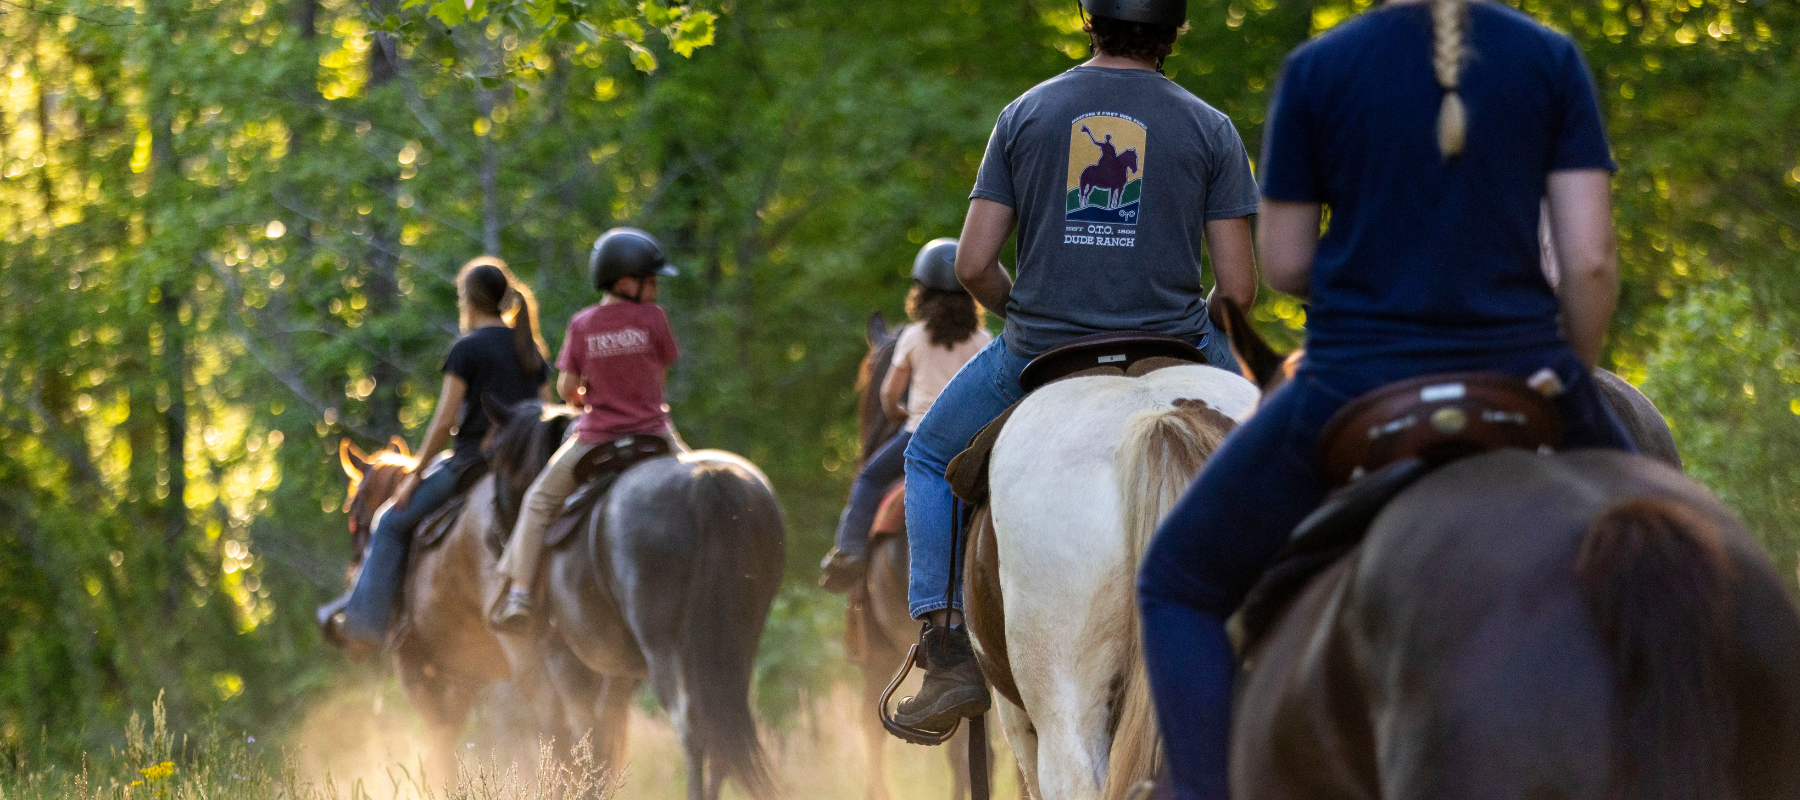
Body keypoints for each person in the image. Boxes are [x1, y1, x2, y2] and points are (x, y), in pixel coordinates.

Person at [1135, 1, 1639, 797]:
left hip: (1353, 387)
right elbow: (1591, 263)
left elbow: (1288, 261)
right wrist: (1563, 374)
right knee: (1678, 536)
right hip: (1527, 376)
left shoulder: (1318, 70)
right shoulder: (1549, 59)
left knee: (1175, 584)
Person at [892, 0, 1261, 735]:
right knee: (1287, 452)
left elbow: (972, 263)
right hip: (1183, 344)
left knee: (929, 458)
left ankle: (947, 652)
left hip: (1042, 346)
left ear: (1090, 20)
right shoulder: (1211, 126)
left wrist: (1024, 308)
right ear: (1174, 27)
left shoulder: (1025, 114)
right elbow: (1241, 290)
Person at [337, 256, 550, 648]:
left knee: (387, 522)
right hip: (526, 465)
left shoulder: (466, 350)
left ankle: (363, 628)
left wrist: (413, 476)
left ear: (469, 301)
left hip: (472, 464)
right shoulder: (529, 348)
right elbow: (547, 413)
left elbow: (442, 422)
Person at [491, 227, 680, 632]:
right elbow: (660, 374)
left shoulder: (582, 323)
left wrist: (582, 396)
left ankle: (520, 594)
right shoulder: (654, 319)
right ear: (626, 282)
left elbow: (564, 388)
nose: (655, 290)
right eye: (651, 282)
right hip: (654, 433)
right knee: (697, 475)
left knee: (539, 502)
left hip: (595, 438)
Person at [819, 239, 993, 592]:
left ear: (922, 295)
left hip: (920, 436)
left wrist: (899, 412)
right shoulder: (983, 338)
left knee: (868, 478)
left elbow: (888, 393)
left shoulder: (913, 337)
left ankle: (850, 552)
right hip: (971, 442)